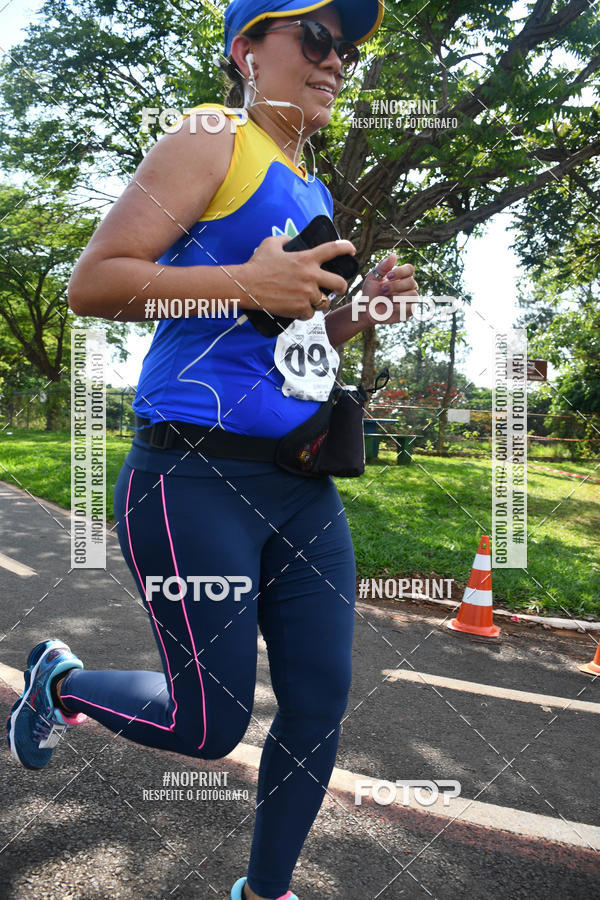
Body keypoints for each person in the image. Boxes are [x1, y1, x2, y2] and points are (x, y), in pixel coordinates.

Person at [6, 2, 418, 898]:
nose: (336, 58)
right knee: (208, 726)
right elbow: (94, 282)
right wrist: (243, 280)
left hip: (302, 487)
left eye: (345, 46)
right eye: (314, 37)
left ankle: (263, 892)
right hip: (193, 477)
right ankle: (62, 685)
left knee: (317, 704)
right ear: (247, 51)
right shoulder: (210, 136)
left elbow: (287, 342)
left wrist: (357, 312)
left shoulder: (311, 189)